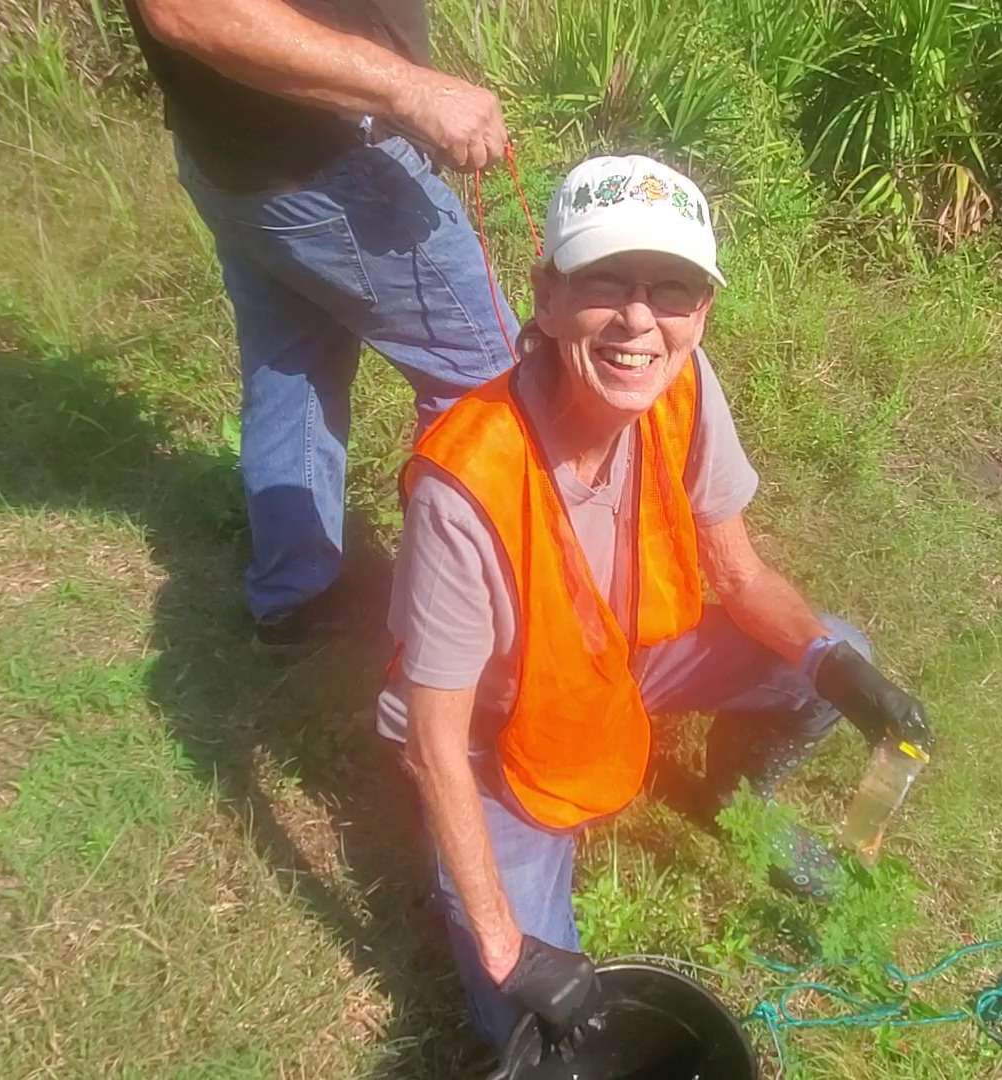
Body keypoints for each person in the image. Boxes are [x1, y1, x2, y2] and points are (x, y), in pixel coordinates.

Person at [376, 155, 938, 1050]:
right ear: (549, 298)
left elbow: (742, 576)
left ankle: (729, 795)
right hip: (502, 730)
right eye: (607, 282)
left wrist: (842, 673)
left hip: (626, 661)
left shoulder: (681, 385)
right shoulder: (465, 482)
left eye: (673, 290)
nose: (640, 319)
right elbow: (435, 741)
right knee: (529, 1015)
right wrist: (506, 946)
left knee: (829, 646)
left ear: (701, 313)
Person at [124, 0, 522, 648]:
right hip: (329, 161)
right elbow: (188, 10)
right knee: (491, 386)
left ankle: (297, 598)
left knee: (292, 368)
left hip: (244, 161)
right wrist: (409, 86)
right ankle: (458, 625)